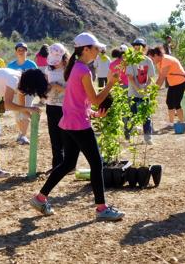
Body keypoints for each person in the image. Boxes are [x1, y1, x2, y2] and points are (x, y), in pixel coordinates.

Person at [30, 32, 124, 221]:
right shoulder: (83, 70)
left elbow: (80, 100)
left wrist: (92, 113)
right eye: (96, 48)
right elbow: (97, 100)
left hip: (70, 121)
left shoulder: (75, 67)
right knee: (96, 164)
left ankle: (40, 198)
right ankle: (101, 208)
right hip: (79, 125)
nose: (99, 51)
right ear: (86, 49)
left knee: (68, 164)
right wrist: (111, 84)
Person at [147, 46, 185, 127]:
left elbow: (162, 78)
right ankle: (171, 123)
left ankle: (182, 123)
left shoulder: (166, 60)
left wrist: (153, 92)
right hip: (173, 83)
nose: (151, 61)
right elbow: (159, 77)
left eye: (151, 58)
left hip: (180, 82)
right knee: (169, 102)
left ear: (156, 55)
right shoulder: (159, 62)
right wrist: (153, 88)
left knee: (176, 103)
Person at [125, 38, 156, 144]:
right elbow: (130, 77)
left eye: (140, 47)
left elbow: (151, 77)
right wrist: (138, 89)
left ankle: (148, 138)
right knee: (132, 114)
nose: (137, 49)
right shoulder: (131, 60)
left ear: (144, 48)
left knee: (146, 116)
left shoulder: (148, 60)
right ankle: (130, 137)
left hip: (145, 94)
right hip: (133, 92)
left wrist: (146, 88)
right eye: (135, 47)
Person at [44, 43, 69, 173]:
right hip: (51, 106)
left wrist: (60, 88)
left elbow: (74, 90)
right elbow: (46, 85)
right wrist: (48, 87)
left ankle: (67, 165)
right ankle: (56, 166)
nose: (54, 64)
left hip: (65, 107)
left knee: (65, 137)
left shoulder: (70, 70)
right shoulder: (49, 69)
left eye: (57, 61)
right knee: (54, 137)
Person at [7, 42, 38, 145]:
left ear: (26, 52)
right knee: (17, 114)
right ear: (16, 52)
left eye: (23, 50)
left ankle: (23, 136)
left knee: (25, 110)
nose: (21, 52)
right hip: (15, 92)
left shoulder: (31, 64)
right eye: (19, 50)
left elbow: (37, 77)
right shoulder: (11, 65)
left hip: (28, 92)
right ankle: (21, 133)